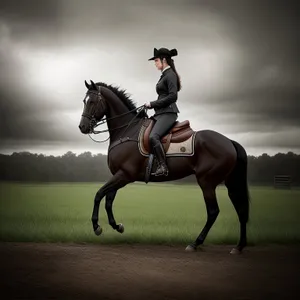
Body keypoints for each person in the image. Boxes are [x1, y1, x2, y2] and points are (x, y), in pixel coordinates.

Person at [145, 47, 181, 176]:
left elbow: (173, 96)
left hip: (169, 113)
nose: (155, 63)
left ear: (164, 60)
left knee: (153, 137)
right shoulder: (164, 75)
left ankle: (163, 167)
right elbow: (163, 96)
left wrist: (152, 103)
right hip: (161, 113)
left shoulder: (170, 75)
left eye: (156, 60)